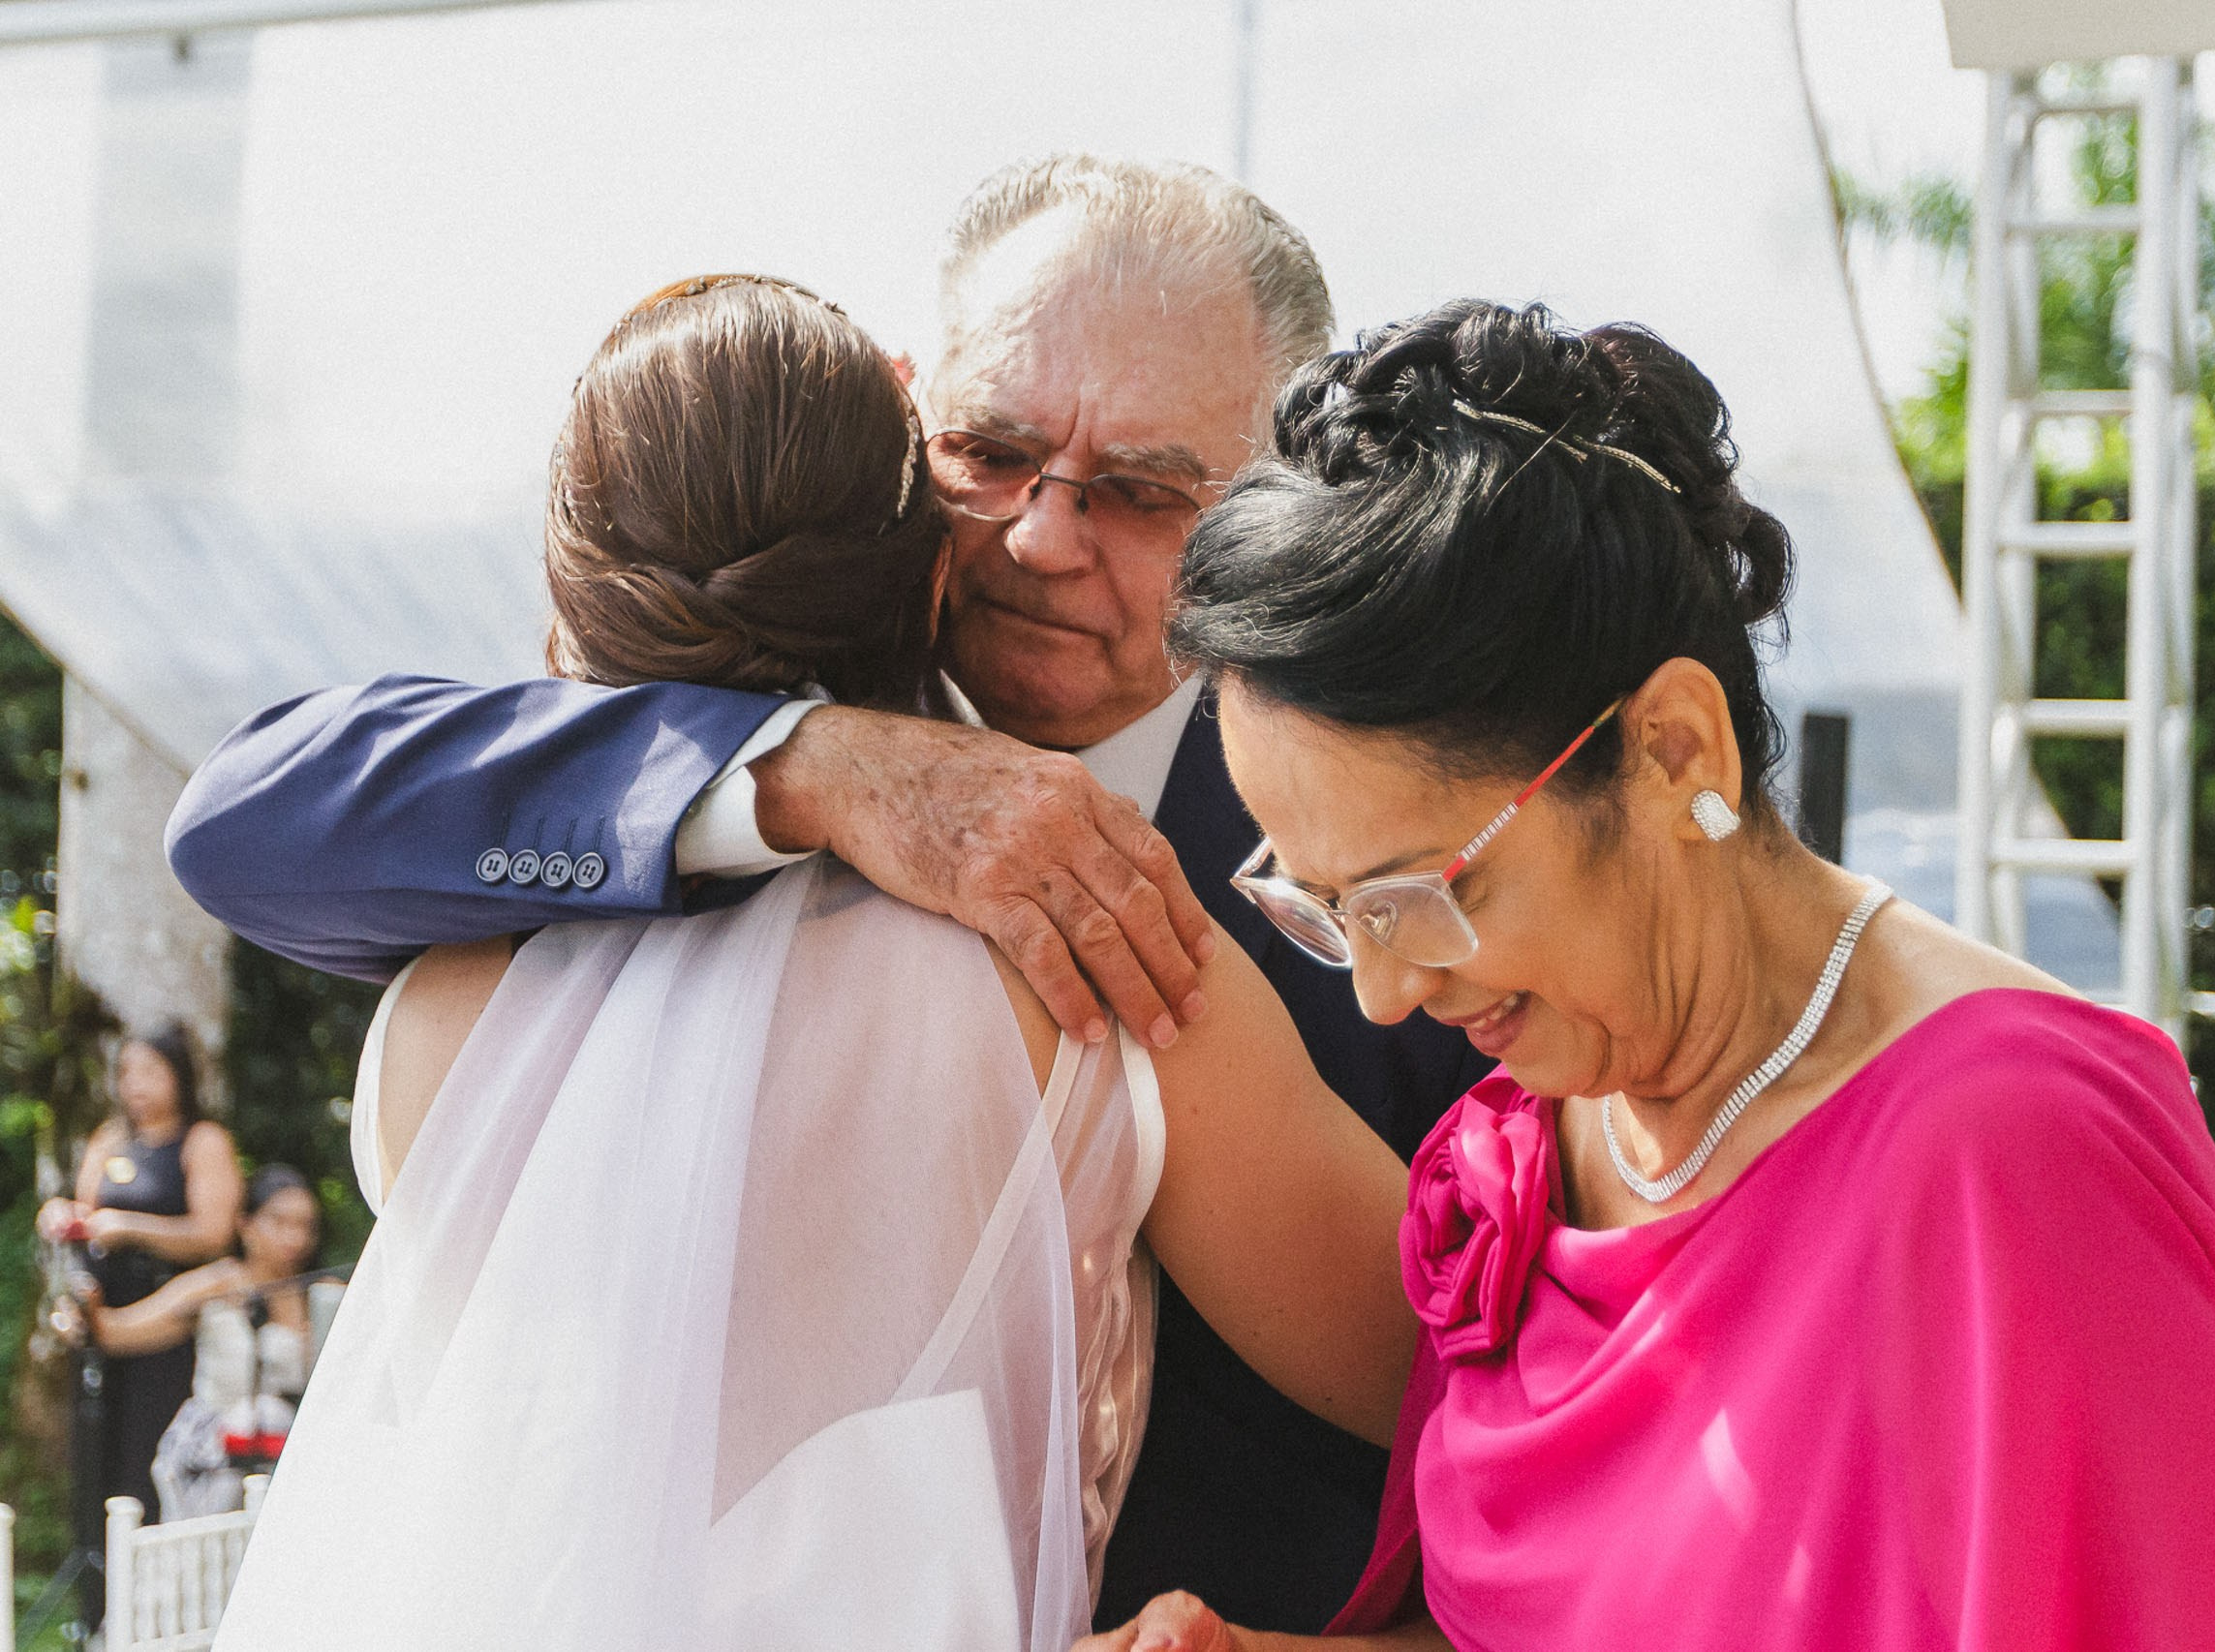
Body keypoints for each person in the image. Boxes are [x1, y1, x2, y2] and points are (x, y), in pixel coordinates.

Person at [168, 156, 1492, 1629]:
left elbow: (1533, 1419)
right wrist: (797, 767)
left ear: (1272, 501)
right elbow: (241, 817)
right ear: (906, 419)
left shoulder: (1412, 824)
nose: (1046, 536)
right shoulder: (662, 806)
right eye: (992, 452)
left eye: (1140, 490)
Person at [1075, 300, 2215, 1651]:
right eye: (1323, 906)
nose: (1380, 990)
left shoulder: (2007, 1151)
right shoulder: (1552, 1126)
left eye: (1420, 893)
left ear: (1673, 750)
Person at [36, 1026, 242, 1541]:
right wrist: (62, 1215)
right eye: (126, 1072)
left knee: (148, 1457)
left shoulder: (202, 1141)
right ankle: (95, 1601)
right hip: (101, 1321)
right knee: (97, 1460)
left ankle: (149, 1595)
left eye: (151, 1070)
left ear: (180, 1075)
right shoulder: (112, 1138)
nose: (136, 1085)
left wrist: (133, 1228)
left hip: (166, 1327)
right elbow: (87, 1211)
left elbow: (214, 1234)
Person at [67, 1164, 327, 1520]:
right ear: (245, 1225)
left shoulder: (322, 1297)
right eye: (279, 1222)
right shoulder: (217, 1284)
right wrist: (84, 1311)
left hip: (292, 1460)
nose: (294, 1238)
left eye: (305, 1226)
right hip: (215, 1455)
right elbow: (117, 1332)